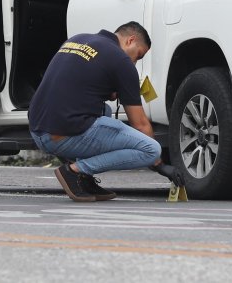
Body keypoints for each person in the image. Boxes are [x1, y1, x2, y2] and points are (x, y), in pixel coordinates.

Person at [29, 22, 183, 202]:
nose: (135, 62)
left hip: (37, 131)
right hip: (62, 136)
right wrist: (159, 164)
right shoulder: (122, 61)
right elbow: (140, 124)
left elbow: (73, 84)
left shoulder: (77, 40)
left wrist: (107, 92)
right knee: (151, 149)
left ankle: (84, 179)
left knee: (106, 110)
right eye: (138, 55)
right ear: (130, 40)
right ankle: (75, 171)